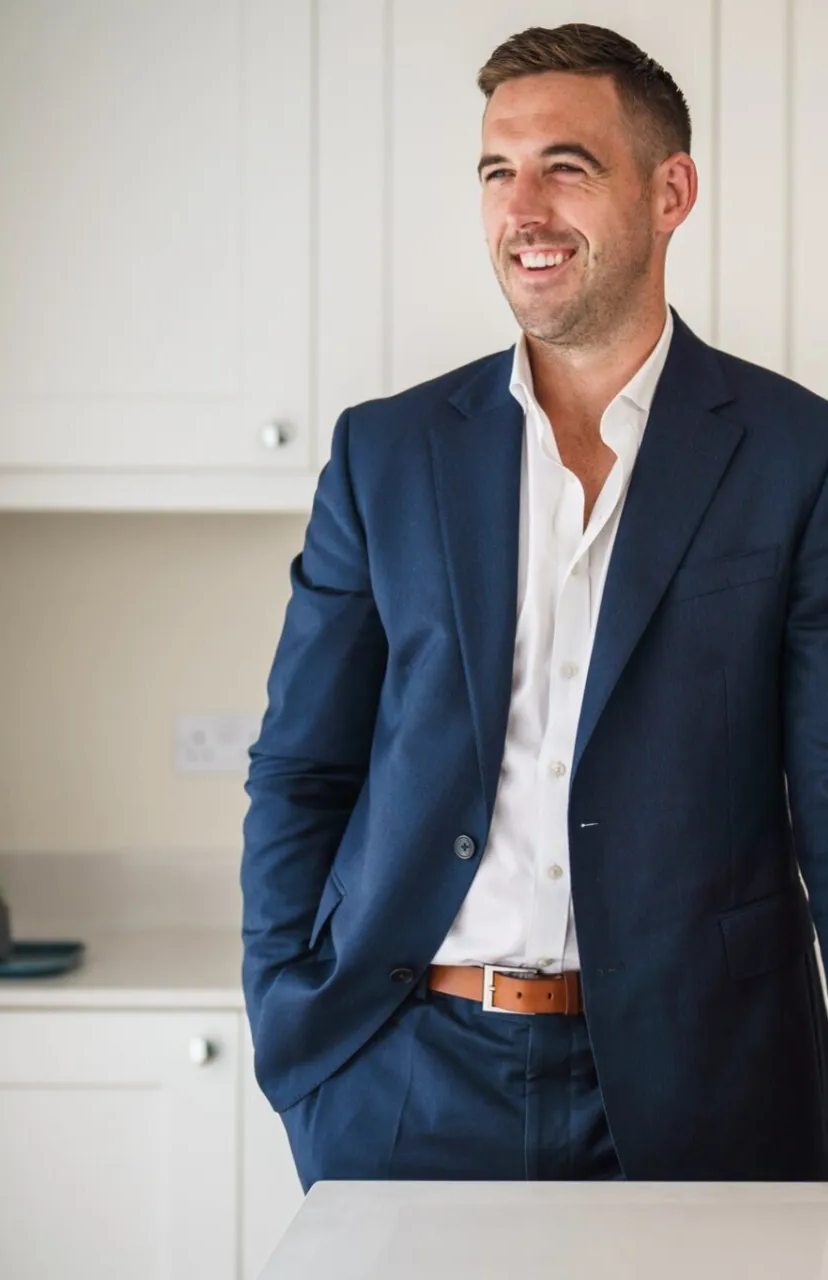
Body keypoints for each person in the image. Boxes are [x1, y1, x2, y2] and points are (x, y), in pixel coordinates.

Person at [240, 22, 828, 1187]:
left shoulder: (794, 454)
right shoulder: (385, 455)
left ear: (672, 191)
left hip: (709, 1092)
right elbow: (302, 767)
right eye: (497, 171)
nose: (524, 208)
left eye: (567, 164)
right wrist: (289, 1021)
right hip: (406, 1074)